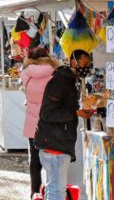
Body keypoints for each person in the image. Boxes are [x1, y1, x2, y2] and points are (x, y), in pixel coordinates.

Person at [34, 50, 93, 200]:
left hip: (59, 142)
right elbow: (47, 113)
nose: (87, 67)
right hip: (54, 143)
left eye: (88, 64)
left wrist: (77, 113)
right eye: (84, 64)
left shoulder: (70, 81)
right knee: (56, 190)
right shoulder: (61, 81)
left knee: (54, 187)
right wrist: (75, 114)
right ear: (74, 62)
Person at [20, 47, 57, 199]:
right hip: (50, 122)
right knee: (52, 159)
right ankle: (51, 191)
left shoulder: (25, 74)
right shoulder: (54, 74)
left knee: (35, 160)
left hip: (32, 122)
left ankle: (34, 192)